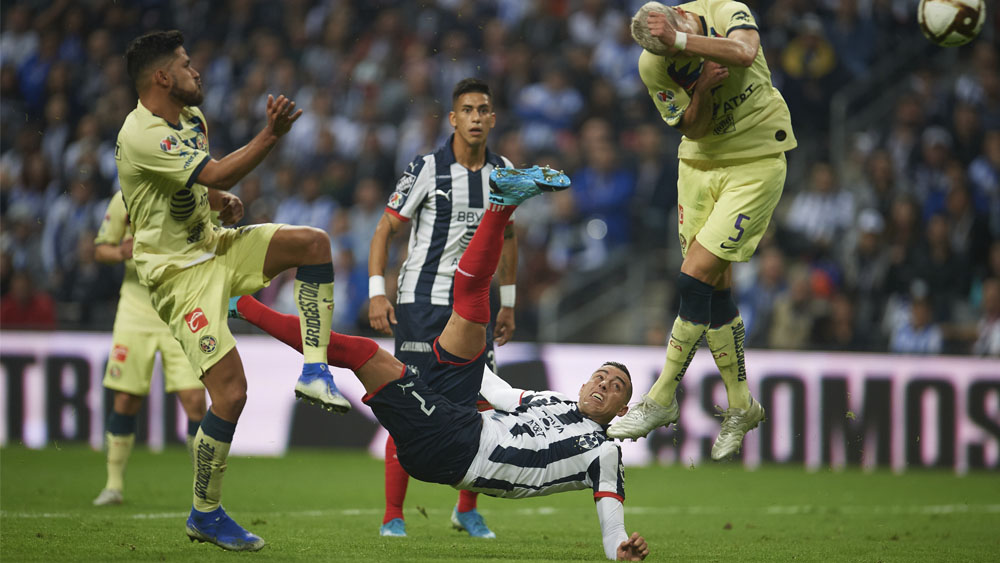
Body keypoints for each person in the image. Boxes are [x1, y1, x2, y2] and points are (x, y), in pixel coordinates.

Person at [231, 166, 649, 561]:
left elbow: (612, 519)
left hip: (457, 450)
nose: (604, 385)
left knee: (372, 351)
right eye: (601, 376)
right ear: (583, 384)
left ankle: (244, 306)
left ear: (622, 410)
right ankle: (500, 203)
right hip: (457, 417)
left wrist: (618, 550)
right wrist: (449, 354)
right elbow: (499, 393)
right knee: (466, 304)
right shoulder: (555, 401)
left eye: (616, 388)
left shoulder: (604, 451)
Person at [116, 30, 349, 551]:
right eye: (185, 63)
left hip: (214, 244)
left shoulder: (192, 119)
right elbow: (212, 168)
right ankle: (205, 513)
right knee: (231, 393)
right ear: (161, 78)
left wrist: (217, 198)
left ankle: (315, 371)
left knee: (313, 244)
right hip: (177, 275)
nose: (195, 70)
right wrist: (269, 136)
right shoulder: (140, 133)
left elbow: (197, 180)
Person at [610, 1, 797, 460]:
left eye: (673, 49)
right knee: (713, 288)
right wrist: (704, 89)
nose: (672, 62)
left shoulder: (725, 8)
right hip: (697, 166)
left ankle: (660, 396)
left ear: (679, 16)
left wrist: (682, 45)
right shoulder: (653, 63)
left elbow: (745, 52)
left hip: (754, 162)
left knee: (692, 276)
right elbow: (692, 126)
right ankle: (741, 405)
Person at [367, 78, 517, 538]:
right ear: (453, 118)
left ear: (492, 118)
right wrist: (376, 290)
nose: (475, 117)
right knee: (405, 399)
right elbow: (386, 229)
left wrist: (508, 302)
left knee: (479, 404)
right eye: (467, 110)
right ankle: (394, 515)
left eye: (483, 110)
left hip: (475, 309)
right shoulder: (428, 167)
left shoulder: (504, 170)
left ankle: (465, 510)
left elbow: (508, 239)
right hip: (421, 301)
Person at [91, 190, 207, 507]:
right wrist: (119, 253)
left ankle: (203, 490)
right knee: (126, 397)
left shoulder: (190, 193)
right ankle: (113, 486)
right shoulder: (124, 198)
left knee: (195, 399)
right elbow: (101, 249)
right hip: (135, 310)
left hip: (181, 308)